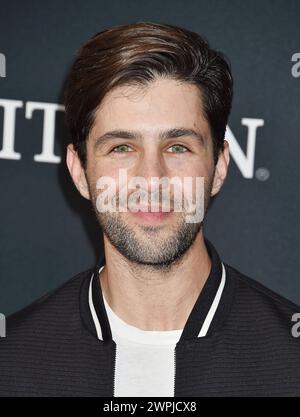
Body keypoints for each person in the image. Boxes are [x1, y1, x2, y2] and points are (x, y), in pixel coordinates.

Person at [0, 21, 300, 397]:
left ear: (220, 167)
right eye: (122, 148)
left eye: (178, 147)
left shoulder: (291, 360)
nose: (151, 178)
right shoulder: (11, 364)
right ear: (79, 172)